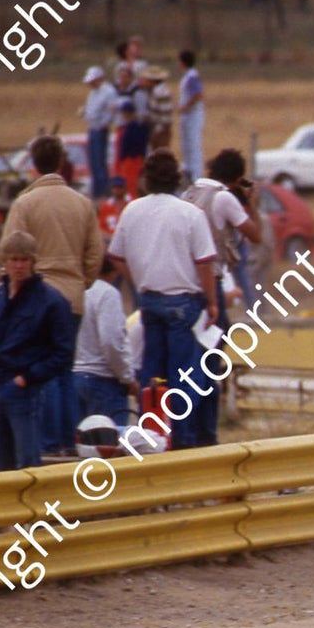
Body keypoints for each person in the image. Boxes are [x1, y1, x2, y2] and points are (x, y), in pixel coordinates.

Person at [106, 150, 219, 450]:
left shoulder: (132, 210)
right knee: (184, 378)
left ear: (146, 179)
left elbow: (116, 256)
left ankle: (151, 439)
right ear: (178, 179)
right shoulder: (190, 213)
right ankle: (183, 440)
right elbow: (205, 263)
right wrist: (212, 302)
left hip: (150, 300)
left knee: (151, 376)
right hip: (185, 301)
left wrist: (138, 279)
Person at [1, 134, 103, 456]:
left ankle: (47, 443)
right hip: (72, 295)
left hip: (37, 296)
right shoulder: (82, 203)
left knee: (41, 372)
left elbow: (10, 249)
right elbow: (95, 253)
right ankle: (67, 440)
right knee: (65, 369)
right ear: (62, 163)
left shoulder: (25, 204)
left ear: (33, 164)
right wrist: (81, 281)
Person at [181, 148, 263, 444]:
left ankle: (190, 429)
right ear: (237, 178)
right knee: (211, 358)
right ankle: (205, 430)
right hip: (211, 280)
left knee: (193, 357)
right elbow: (255, 235)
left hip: (185, 283)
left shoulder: (190, 192)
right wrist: (251, 203)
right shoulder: (224, 197)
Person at [0, 231, 75, 471]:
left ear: (34, 262)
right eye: (13, 259)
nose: (19, 266)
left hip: (27, 388)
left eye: (24, 260)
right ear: (4, 261)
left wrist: (27, 379)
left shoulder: (52, 301)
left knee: (28, 462)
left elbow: (63, 353)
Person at [74, 257, 135, 426]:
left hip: (73, 378)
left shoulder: (72, 290)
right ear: (113, 272)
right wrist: (127, 377)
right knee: (109, 445)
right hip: (103, 381)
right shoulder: (107, 294)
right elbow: (111, 342)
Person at [82, 65, 117, 200]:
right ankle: (97, 191)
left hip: (100, 129)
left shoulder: (108, 91)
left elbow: (110, 111)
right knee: (94, 162)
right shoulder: (92, 93)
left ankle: (102, 191)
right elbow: (91, 111)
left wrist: (104, 124)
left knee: (100, 162)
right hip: (92, 128)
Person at [178, 51, 206, 182]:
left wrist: (186, 107)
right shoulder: (188, 76)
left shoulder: (192, 76)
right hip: (188, 117)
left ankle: (196, 175)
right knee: (187, 146)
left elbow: (198, 94)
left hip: (193, 117)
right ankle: (189, 173)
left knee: (193, 145)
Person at [115, 101, 150, 196]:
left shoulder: (132, 127)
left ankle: (132, 199)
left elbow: (128, 145)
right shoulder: (138, 126)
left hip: (132, 159)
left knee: (131, 184)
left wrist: (123, 157)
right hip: (136, 159)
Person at [140, 65, 174, 151]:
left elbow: (155, 112)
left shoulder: (157, 92)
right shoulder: (163, 90)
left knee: (159, 153)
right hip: (164, 127)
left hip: (160, 128)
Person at [98, 176, 131, 243]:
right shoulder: (106, 206)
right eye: (115, 187)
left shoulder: (132, 203)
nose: (117, 189)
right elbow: (101, 227)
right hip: (109, 241)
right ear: (111, 188)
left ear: (125, 188)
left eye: (120, 187)